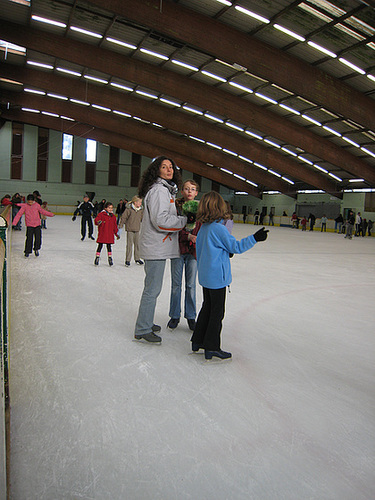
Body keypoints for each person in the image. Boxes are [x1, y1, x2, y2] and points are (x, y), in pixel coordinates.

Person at [190, 191, 268, 361]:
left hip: (206, 276)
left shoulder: (204, 227)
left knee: (207, 308)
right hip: (217, 278)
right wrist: (255, 238)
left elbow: (210, 249)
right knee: (217, 313)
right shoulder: (218, 228)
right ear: (218, 207)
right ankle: (211, 347)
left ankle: (197, 341)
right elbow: (236, 247)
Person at [134, 156, 187, 343]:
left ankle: (145, 321)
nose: (168, 170)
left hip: (158, 246)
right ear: (156, 170)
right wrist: (184, 221)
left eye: (171, 167)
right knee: (152, 289)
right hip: (155, 247)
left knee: (152, 288)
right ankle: (143, 328)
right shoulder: (159, 191)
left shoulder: (165, 190)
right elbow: (161, 220)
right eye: (164, 167)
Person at [168, 179, 201, 331]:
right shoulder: (175, 208)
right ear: (182, 192)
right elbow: (173, 226)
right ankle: (175, 315)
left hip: (193, 252)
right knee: (176, 285)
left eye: (192, 189)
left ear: (196, 192)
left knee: (191, 285)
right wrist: (186, 236)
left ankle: (191, 316)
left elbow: (202, 228)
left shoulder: (200, 210)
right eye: (187, 189)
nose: (189, 191)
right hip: (177, 250)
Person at [118, 195, 144, 267]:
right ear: (135, 202)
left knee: (137, 245)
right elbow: (123, 218)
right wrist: (120, 226)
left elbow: (143, 219)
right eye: (139, 202)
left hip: (137, 229)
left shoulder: (141, 210)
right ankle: (128, 260)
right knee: (129, 245)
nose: (140, 204)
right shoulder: (129, 209)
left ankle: (137, 258)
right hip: (130, 229)